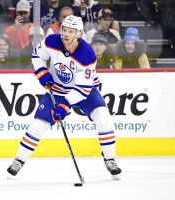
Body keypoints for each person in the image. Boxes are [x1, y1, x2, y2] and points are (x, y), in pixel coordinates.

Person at [7, 15, 122, 179]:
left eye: (71, 31)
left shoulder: (87, 55)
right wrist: (42, 72)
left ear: (79, 34)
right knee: (38, 125)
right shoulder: (51, 41)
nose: (66, 34)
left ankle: (110, 159)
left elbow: (82, 88)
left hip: (85, 91)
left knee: (103, 117)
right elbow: (37, 56)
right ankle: (19, 160)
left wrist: (65, 105)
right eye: (64, 30)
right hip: (57, 89)